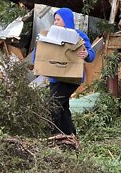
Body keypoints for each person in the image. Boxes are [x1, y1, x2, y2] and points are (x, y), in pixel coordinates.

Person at [33, 7, 95, 136]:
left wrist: (86, 54)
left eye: (58, 19)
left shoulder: (79, 35)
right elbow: (38, 55)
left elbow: (92, 55)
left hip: (71, 78)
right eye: (54, 20)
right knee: (63, 107)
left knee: (53, 105)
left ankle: (56, 135)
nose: (55, 22)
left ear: (66, 20)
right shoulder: (50, 35)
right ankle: (70, 135)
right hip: (55, 78)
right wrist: (38, 49)